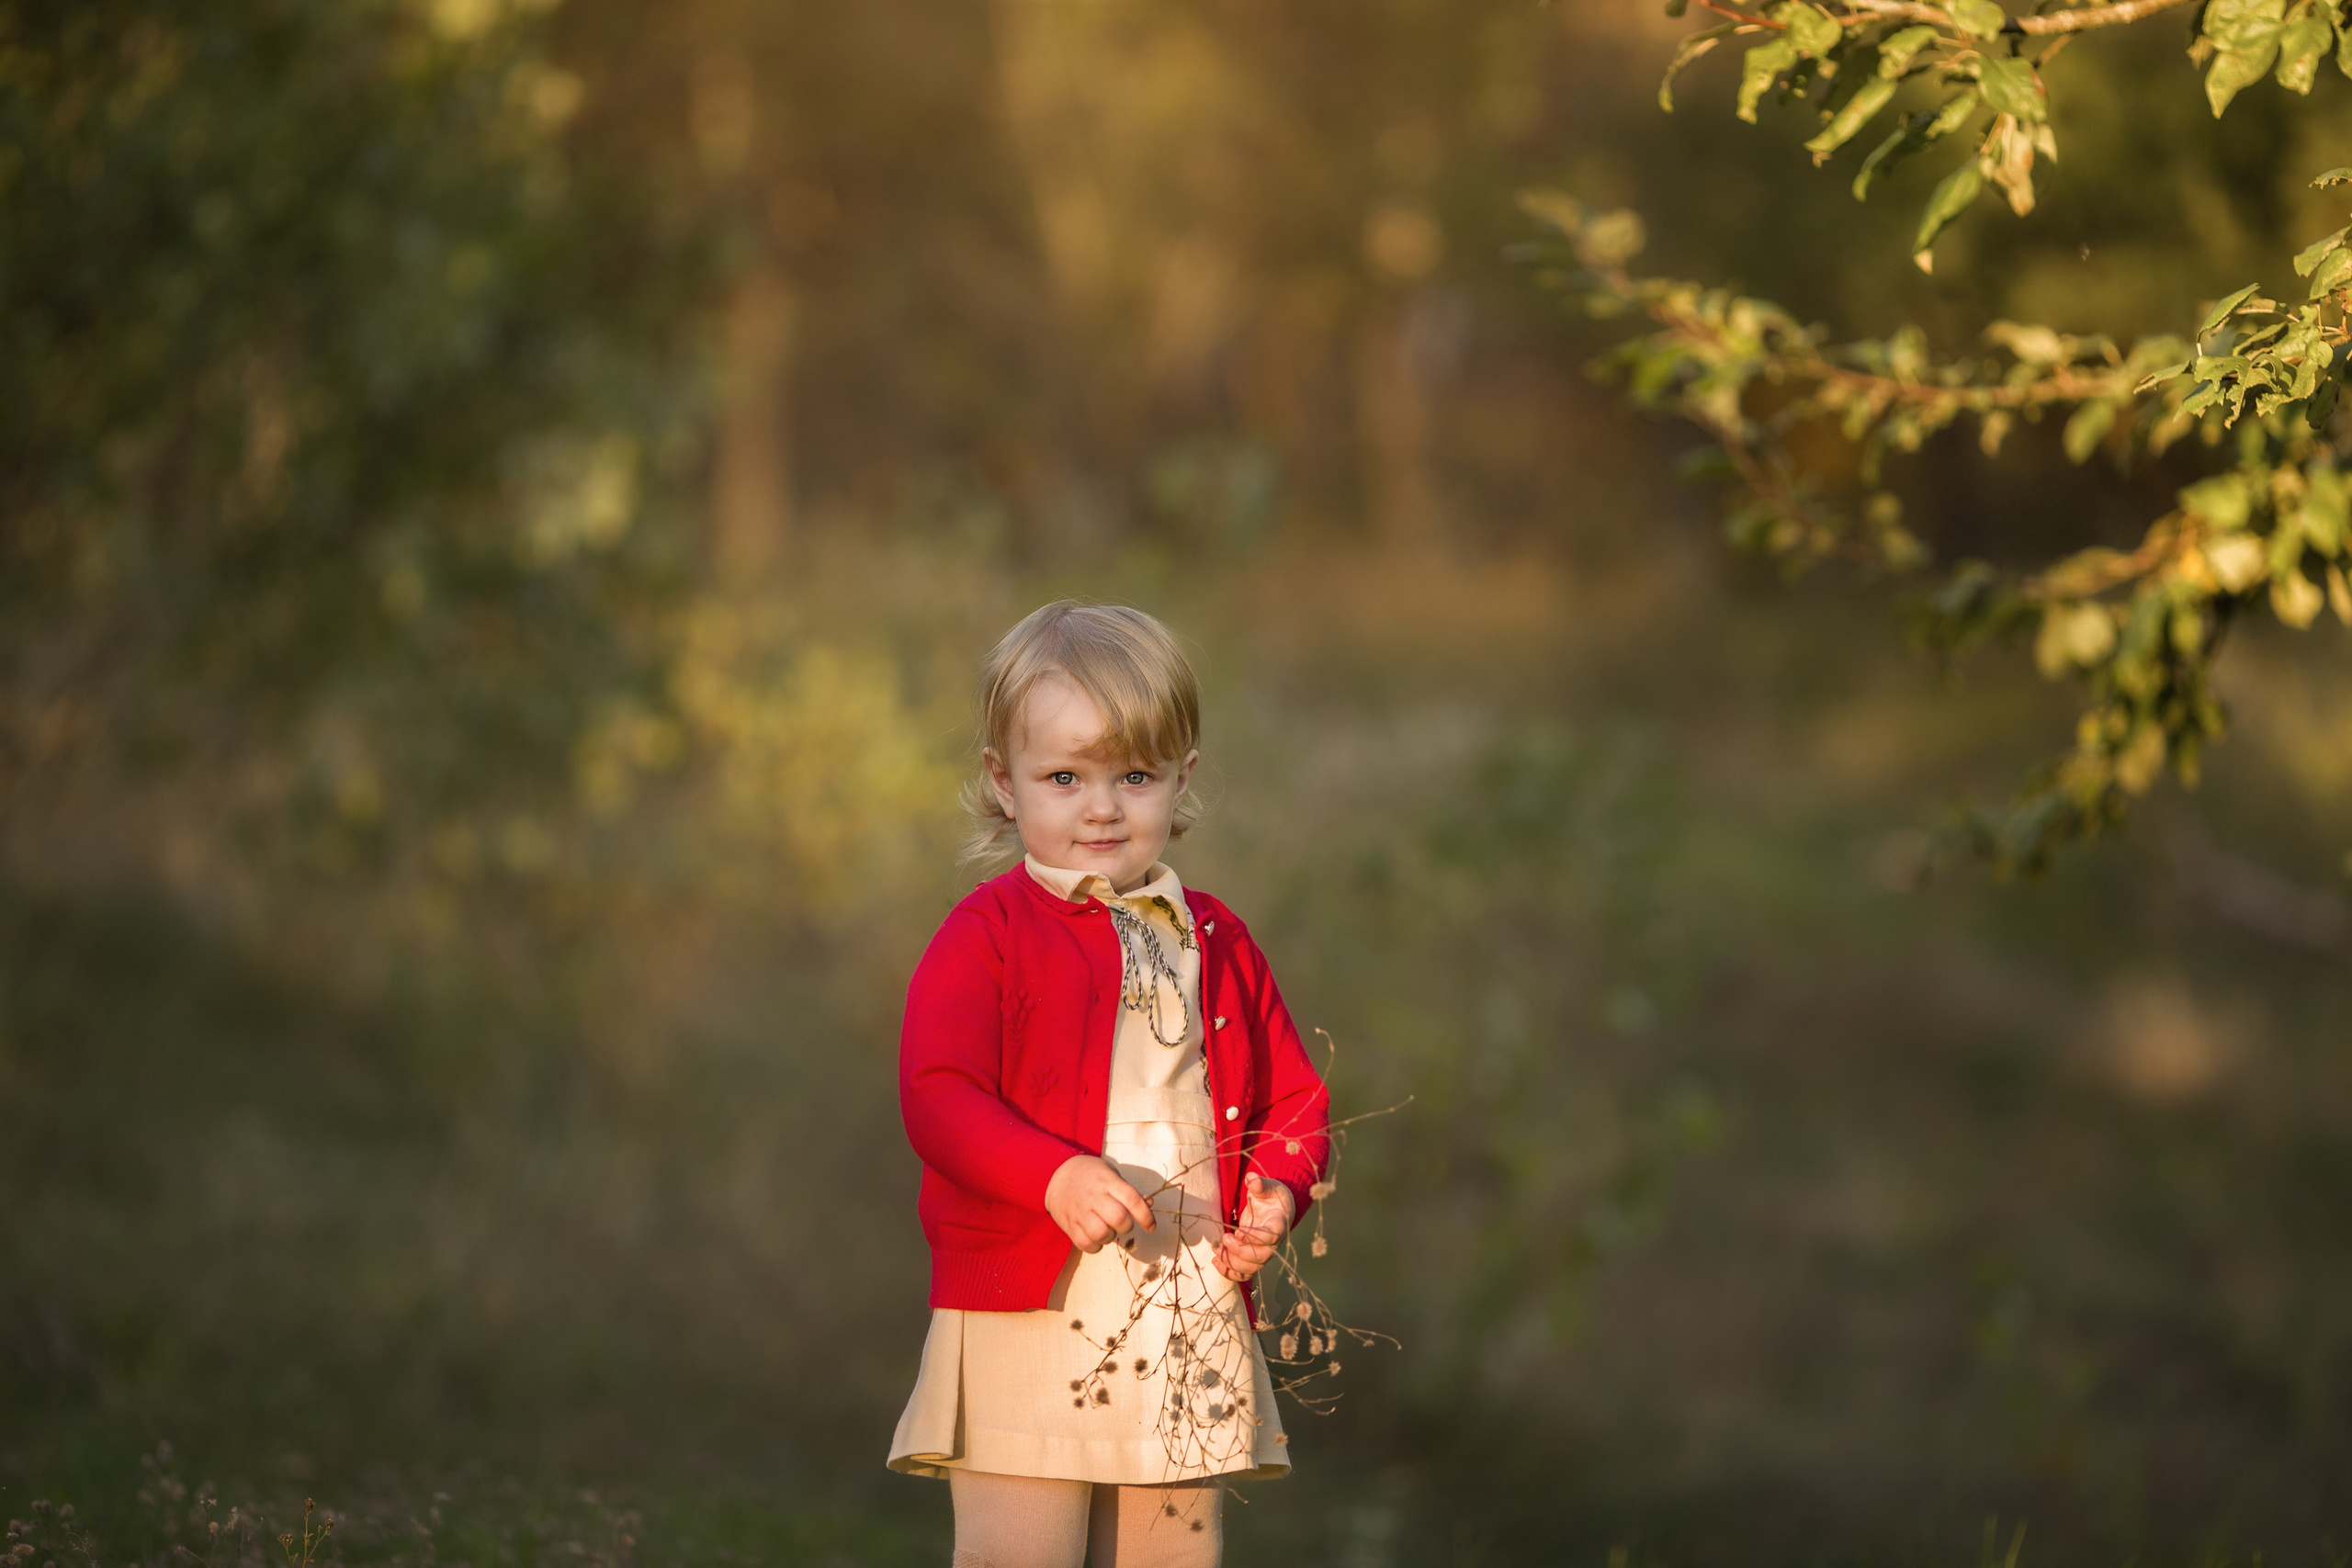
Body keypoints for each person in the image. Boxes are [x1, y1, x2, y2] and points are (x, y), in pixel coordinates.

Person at [888, 602, 1333, 1568]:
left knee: (1169, 1556)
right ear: (1003, 786)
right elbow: (937, 1092)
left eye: (1134, 776)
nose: (1102, 807)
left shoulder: (1214, 938)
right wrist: (1049, 1174)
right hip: (1027, 1299)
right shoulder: (987, 935)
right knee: (1025, 1555)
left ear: (1181, 782)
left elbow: (1293, 1100)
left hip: (1182, 1294)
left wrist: (1276, 1189)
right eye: (1064, 777)